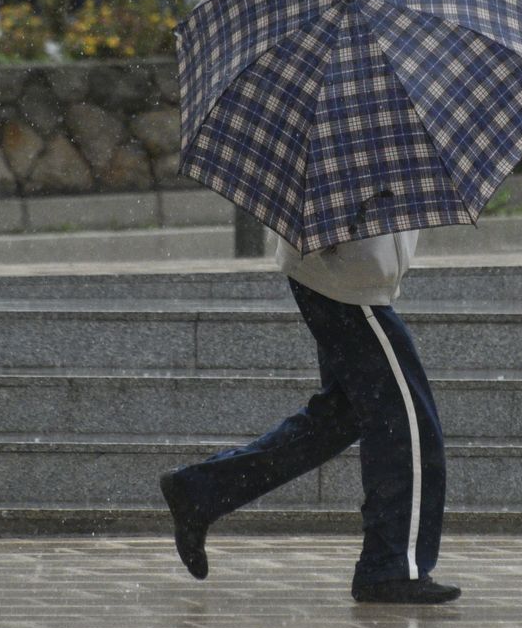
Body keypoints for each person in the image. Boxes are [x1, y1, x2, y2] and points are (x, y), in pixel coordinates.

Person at [159, 227, 459, 604]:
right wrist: (326, 231)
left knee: (342, 416)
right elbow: (323, 180)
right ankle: (390, 564)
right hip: (346, 280)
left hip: (345, 276)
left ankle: (201, 490)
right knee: (408, 422)